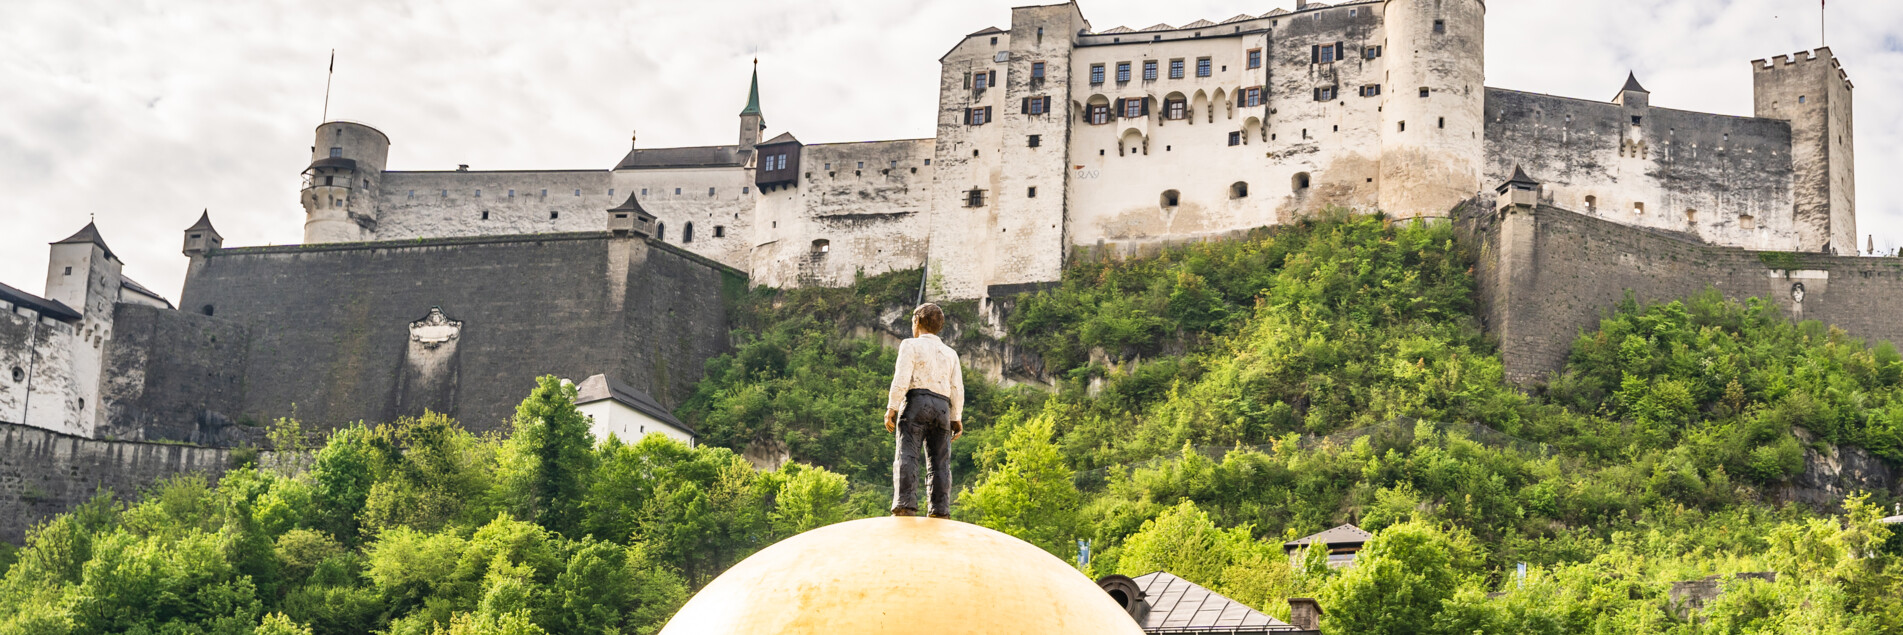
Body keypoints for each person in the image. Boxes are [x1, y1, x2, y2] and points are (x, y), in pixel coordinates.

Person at [884, 303, 965, 518]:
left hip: (916, 402)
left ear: (917, 322)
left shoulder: (910, 345)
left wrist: (892, 406)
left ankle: (905, 504)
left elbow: (901, 378)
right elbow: (957, 387)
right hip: (942, 408)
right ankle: (940, 510)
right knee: (940, 462)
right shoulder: (951, 354)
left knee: (907, 453)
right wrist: (956, 416)